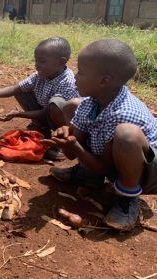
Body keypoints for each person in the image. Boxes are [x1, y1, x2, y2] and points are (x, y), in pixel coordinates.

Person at [44, 40, 157, 231]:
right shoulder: (94, 101)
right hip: (111, 158)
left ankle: (127, 200)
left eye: (80, 72)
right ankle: (86, 176)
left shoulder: (123, 114)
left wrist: (76, 147)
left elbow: (102, 166)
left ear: (104, 81)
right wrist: (67, 138)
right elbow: (72, 152)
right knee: (72, 105)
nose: (75, 78)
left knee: (127, 134)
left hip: (146, 171)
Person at [0, 37, 79, 160]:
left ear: (61, 62)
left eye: (42, 61)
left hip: (64, 121)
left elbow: (46, 112)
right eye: (36, 61)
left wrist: (19, 114)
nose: (36, 66)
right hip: (46, 111)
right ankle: (42, 129)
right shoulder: (40, 75)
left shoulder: (67, 82)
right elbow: (16, 88)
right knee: (21, 91)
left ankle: (59, 141)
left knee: (56, 105)